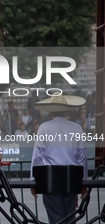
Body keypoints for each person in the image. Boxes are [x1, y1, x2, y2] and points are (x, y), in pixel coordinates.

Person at [30, 93, 88, 224]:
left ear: (51, 111)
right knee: (70, 217)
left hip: (51, 178)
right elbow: (82, 158)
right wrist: (84, 181)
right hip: (72, 178)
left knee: (56, 218)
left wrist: (33, 180)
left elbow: (37, 156)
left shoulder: (44, 128)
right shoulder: (77, 128)